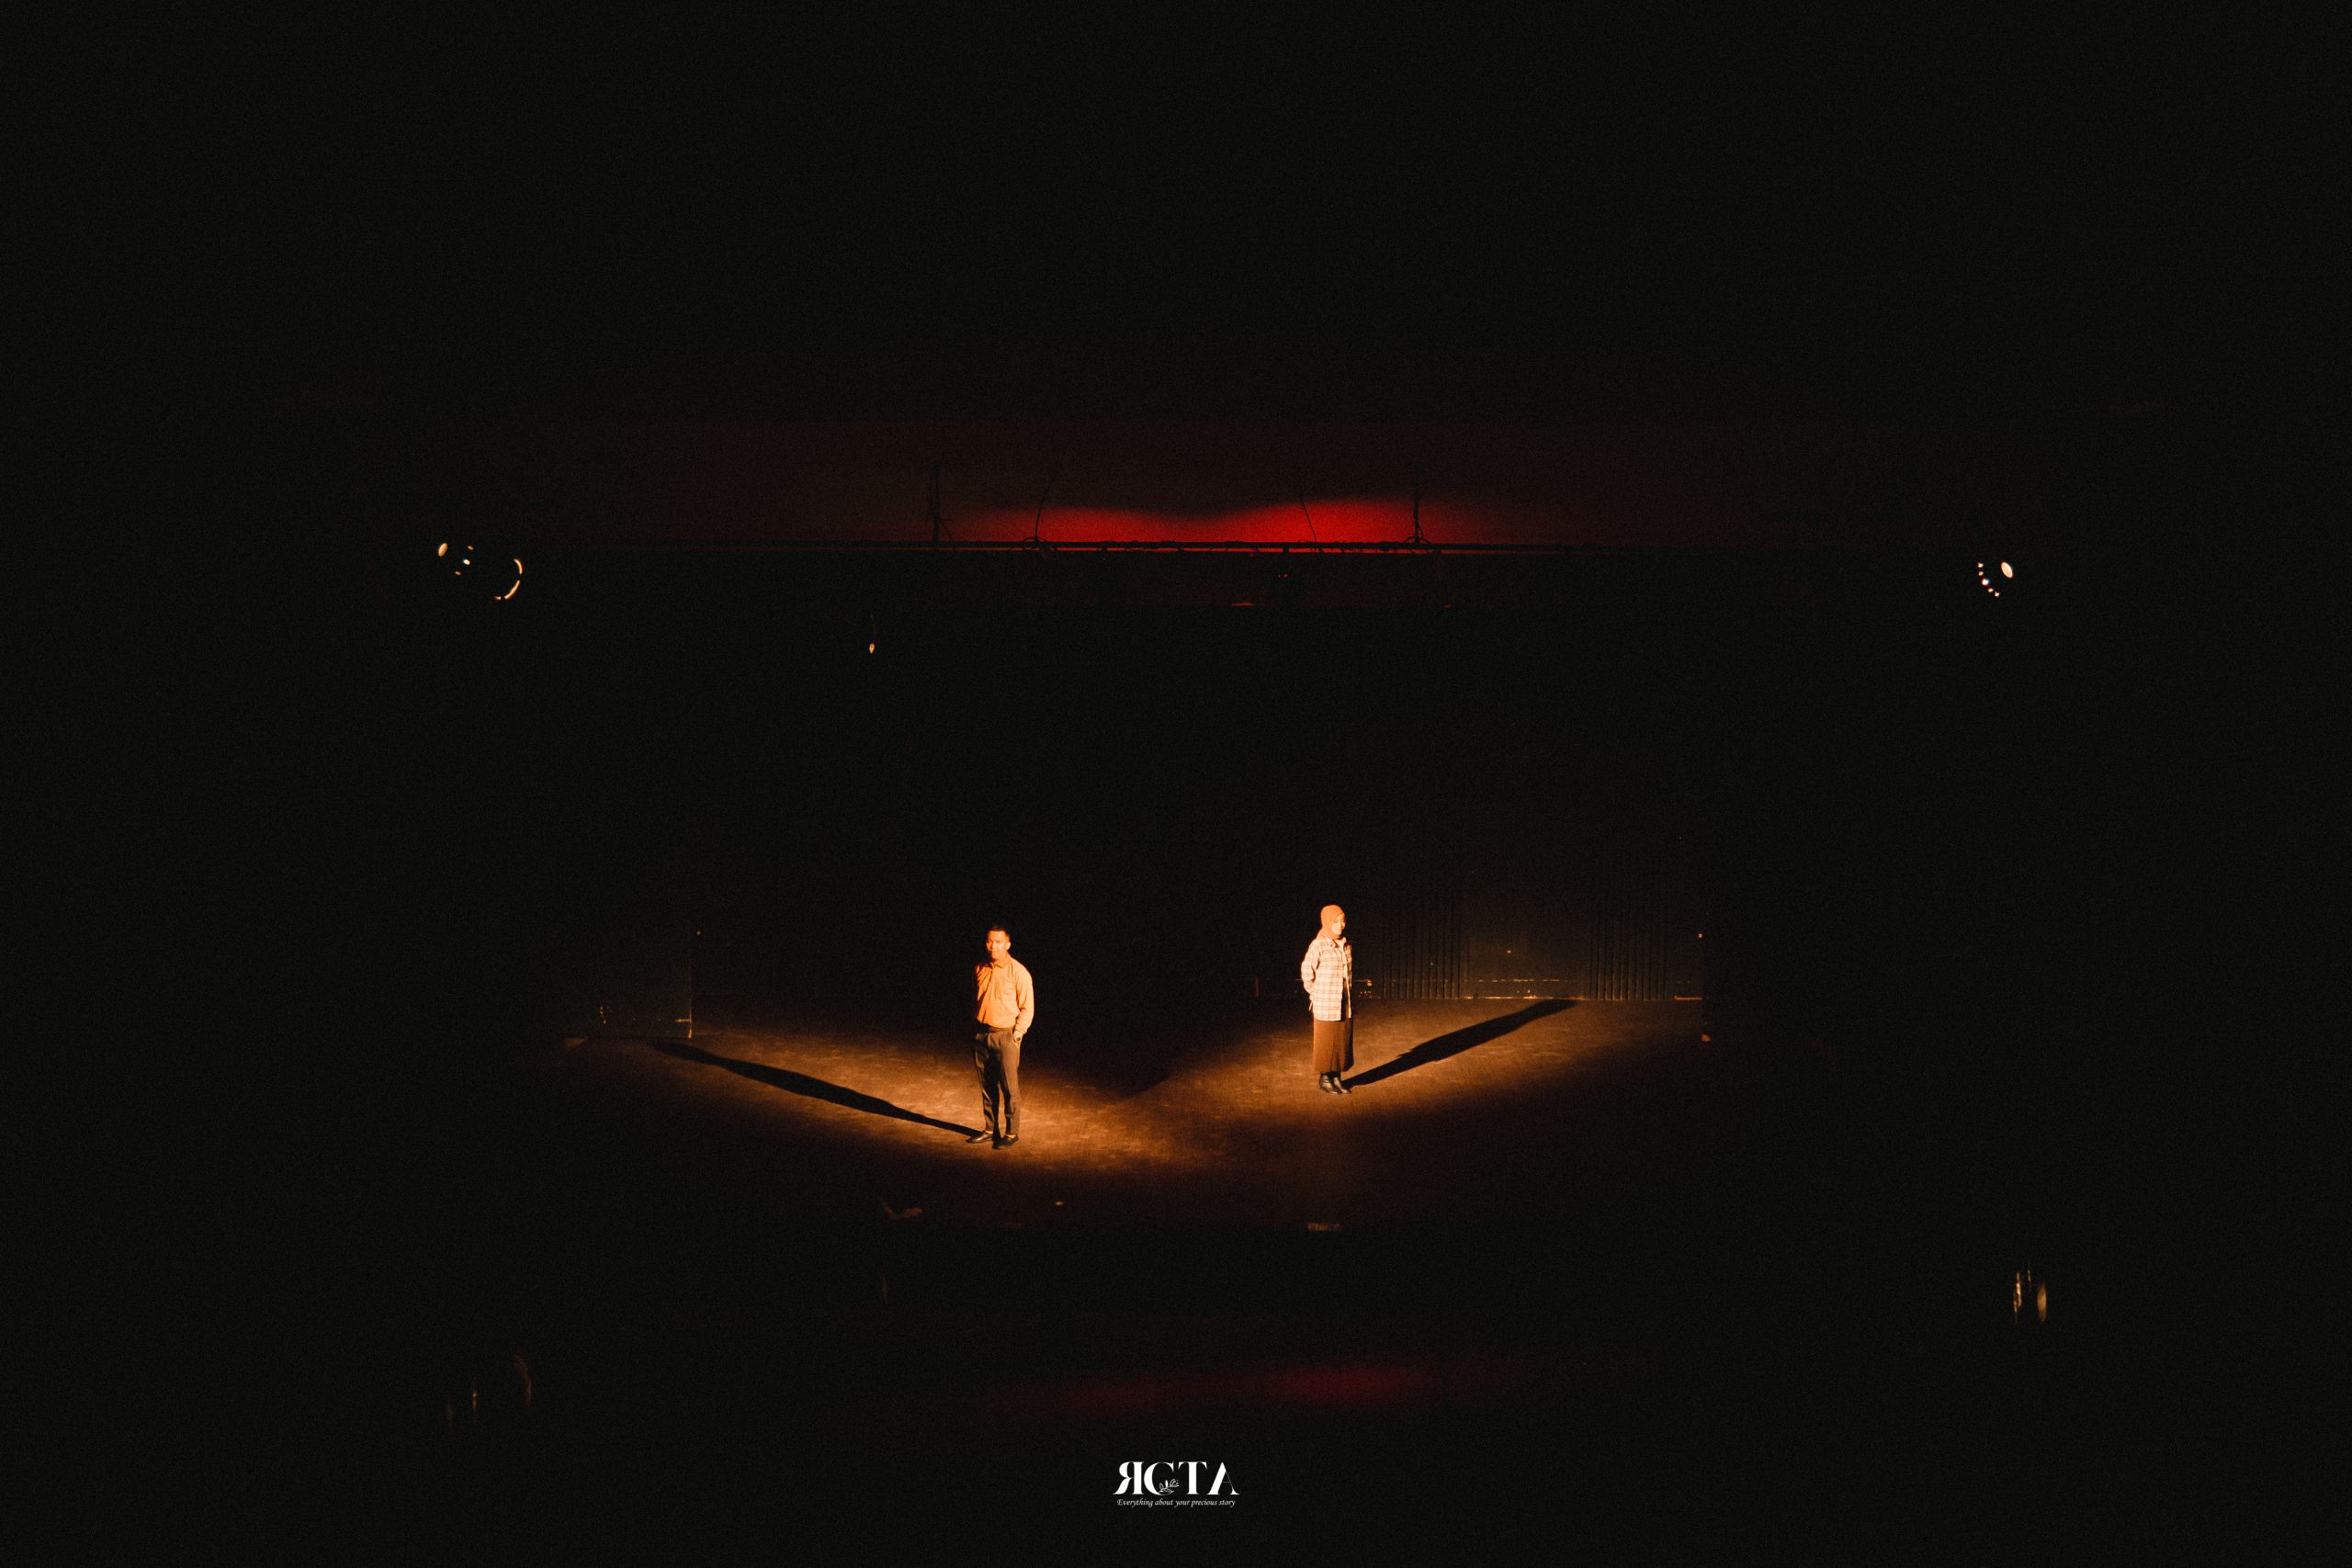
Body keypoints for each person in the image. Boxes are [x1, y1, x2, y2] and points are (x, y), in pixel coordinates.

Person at [969, 925, 1035, 1147]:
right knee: (987, 1086)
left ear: (1007, 944)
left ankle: (1012, 1133)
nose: (993, 946)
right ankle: (990, 1129)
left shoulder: (1018, 972)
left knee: (1009, 1088)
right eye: (990, 941)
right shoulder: (980, 967)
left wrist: (1017, 1035)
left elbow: (1027, 1007)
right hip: (982, 1034)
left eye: (998, 942)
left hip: (1005, 1036)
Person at [1300, 904, 1353, 1094]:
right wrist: (1315, 993)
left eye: (1342, 921)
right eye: (1336, 922)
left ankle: (1336, 1077)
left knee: (1341, 1041)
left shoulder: (1346, 943)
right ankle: (1325, 1078)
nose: (1340, 925)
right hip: (1326, 1003)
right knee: (1326, 1041)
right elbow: (1307, 971)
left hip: (1343, 1002)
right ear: (1327, 922)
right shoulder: (1319, 944)